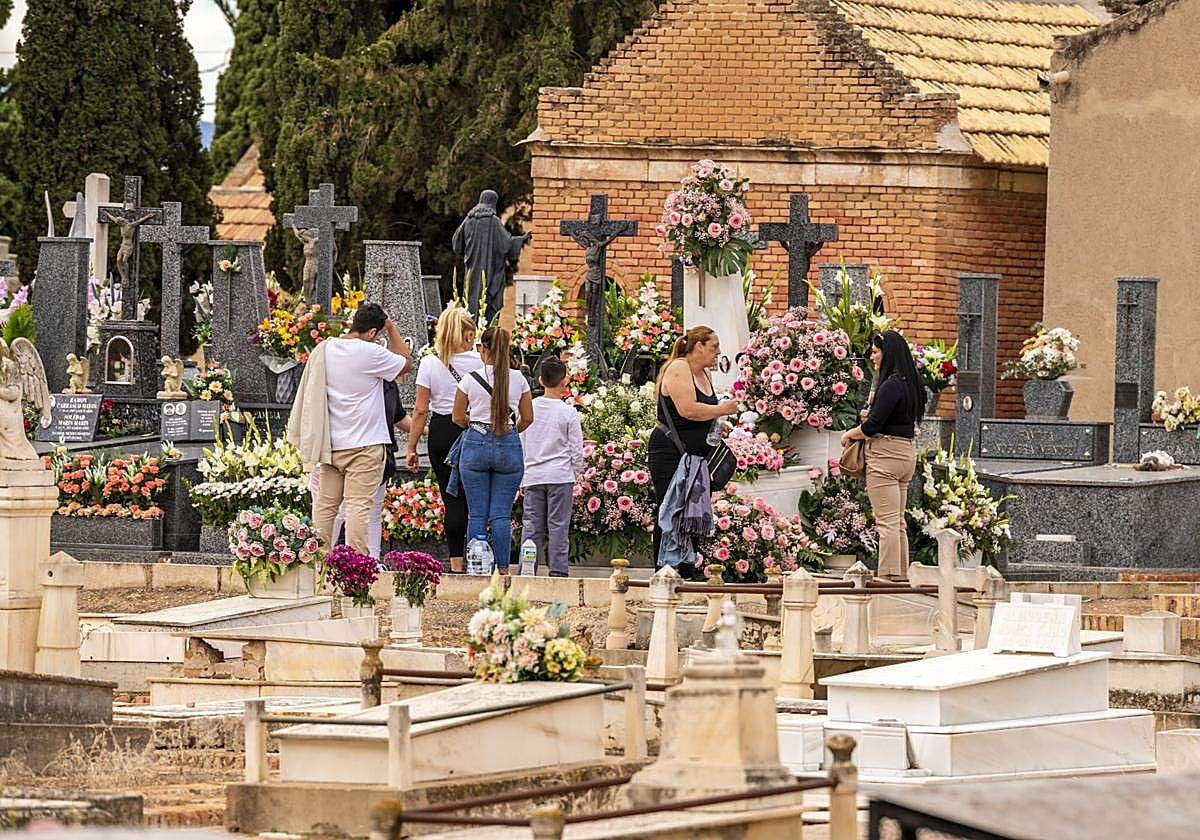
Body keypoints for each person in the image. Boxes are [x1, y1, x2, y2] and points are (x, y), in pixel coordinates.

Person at [289, 302, 412, 555]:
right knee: (358, 507)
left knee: (325, 508)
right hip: (365, 446)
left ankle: (318, 563)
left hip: (331, 444)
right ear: (372, 332)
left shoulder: (325, 348)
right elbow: (406, 364)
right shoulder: (371, 353)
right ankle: (357, 567)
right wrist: (391, 328)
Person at [648, 326, 739, 575]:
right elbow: (688, 409)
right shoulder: (679, 368)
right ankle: (664, 572)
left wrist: (717, 424)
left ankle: (686, 572)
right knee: (670, 509)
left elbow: (702, 412)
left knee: (692, 513)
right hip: (670, 452)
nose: (718, 352)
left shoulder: (704, 373)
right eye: (714, 346)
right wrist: (722, 410)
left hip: (695, 457)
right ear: (699, 346)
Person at [839, 330, 925, 580]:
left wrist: (849, 434)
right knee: (897, 521)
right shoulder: (913, 384)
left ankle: (887, 577)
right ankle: (901, 576)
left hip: (885, 457)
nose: (872, 356)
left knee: (886, 523)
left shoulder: (891, 385)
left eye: (875, 352)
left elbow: (872, 426)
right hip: (906, 454)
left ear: (888, 353)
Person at [406, 306, 483, 573]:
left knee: (451, 500)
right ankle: (478, 559)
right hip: (473, 429)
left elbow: (420, 410)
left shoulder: (430, 363)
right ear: (468, 334)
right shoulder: (481, 363)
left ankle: (456, 564)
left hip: (441, 430)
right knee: (474, 500)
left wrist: (412, 447)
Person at [452, 326, 533, 574]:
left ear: (483, 349)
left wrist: (475, 425)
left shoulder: (469, 379)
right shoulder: (519, 379)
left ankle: (477, 568)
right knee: (501, 514)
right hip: (508, 442)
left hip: (475, 443)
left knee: (476, 513)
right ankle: (503, 570)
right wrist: (511, 431)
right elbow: (528, 418)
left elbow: (457, 417)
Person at [316, 379, 413, 559]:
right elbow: (405, 365)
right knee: (350, 509)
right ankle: (353, 563)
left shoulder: (388, 385)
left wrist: (425, 429)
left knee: (345, 510)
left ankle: (364, 561)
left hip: (345, 449)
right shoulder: (376, 383)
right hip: (364, 452)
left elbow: (399, 417)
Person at [519, 356, 584, 577]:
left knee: (531, 526)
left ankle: (528, 570)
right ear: (565, 382)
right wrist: (575, 473)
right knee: (558, 527)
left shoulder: (529, 408)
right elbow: (576, 449)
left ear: (540, 380)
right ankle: (558, 572)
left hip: (533, 475)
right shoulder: (568, 412)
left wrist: (522, 477)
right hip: (560, 475)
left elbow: (522, 443)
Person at [451, 190, 532, 324]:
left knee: (471, 301)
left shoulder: (468, 220)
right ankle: (484, 332)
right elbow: (506, 244)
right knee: (487, 304)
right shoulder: (493, 221)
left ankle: (470, 330)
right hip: (489, 272)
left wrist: (469, 255)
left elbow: (456, 243)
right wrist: (521, 239)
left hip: (471, 271)